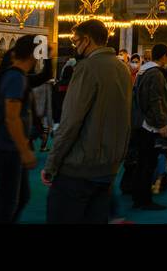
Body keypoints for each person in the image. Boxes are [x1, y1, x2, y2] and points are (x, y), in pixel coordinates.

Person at [42, 19, 133, 223]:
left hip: (79, 168)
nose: (75, 46)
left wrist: (51, 164)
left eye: (76, 41)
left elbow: (71, 122)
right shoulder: (122, 69)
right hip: (108, 166)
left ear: (87, 40)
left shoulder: (87, 68)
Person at [0, 35, 39, 224]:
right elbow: (11, 117)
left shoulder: (15, 75)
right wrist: (24, 150)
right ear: (34, 54)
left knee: (20, 197)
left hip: (6, 145)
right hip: (7, 147)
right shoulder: (15, 77)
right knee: (9, 200)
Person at [128, 43, 167, 210]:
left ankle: (138, 197)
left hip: (140, 122)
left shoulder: (143, 71)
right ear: (163, 56)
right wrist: (161, 123)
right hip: (149, 125)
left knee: (142, 163)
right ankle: (143, 200)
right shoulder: (156, 74)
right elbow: (156, 100)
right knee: (147, 164)